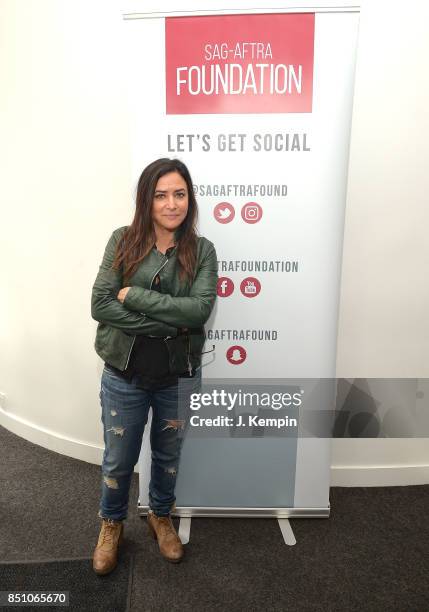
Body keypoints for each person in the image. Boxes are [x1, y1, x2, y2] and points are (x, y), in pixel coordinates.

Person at [90, 158, 218, 575]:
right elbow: (100, 304)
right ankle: (111, 524)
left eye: (179, 194)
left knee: (167, 456)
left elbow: (197, 312)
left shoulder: (202, 251)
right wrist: (168, 321)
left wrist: (137, 297)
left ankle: (160, 516)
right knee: (117, 460)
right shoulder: (122, 241)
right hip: (125, 374)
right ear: (147, 200)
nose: (171, 204)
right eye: (161, 195)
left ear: (189, 199)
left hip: (176, 376)